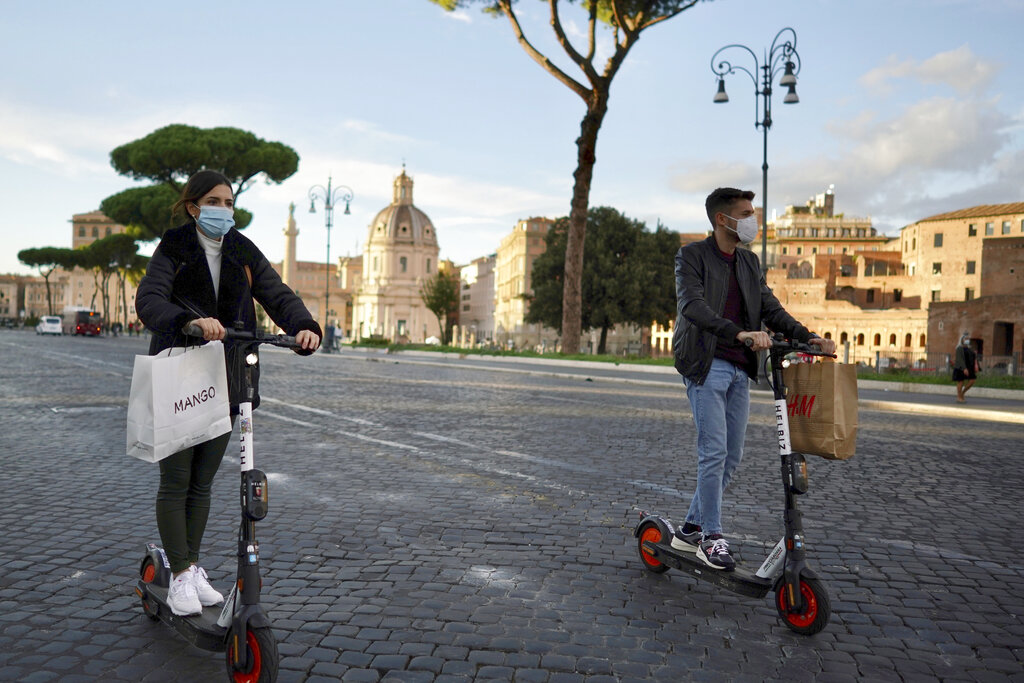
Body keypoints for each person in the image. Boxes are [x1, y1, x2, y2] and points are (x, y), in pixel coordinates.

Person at [136, 170, 322, 616]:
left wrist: (304, 327)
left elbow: (277, 292)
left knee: (202, 483)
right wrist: (189, 321)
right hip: (180, 373)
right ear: (194, 206)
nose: (225, 209)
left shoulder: (241, 248)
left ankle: (190, 567)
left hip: (228, 379)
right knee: (177, 480)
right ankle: (179, 575)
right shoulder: (174, 248)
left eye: (230, 202)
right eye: (215, 201)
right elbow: (149, 300)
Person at [670, 187, 836, 571]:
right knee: (713, 452)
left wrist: (806, 336)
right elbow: (691, 305)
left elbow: (769, 306)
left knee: (732, 456)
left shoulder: (748, 262)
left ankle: (691, 528)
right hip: (706, 364)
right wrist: (739, 333)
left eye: (752, 213)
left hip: (740, 368)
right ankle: (711, 538)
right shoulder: (691, 257)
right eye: (745, 214)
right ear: (722, 220)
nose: (752, 221)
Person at [953, 334, 978, 403]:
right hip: (961, 367)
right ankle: (959, 397)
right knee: (960, 381)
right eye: (965, 339)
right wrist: (964, 368)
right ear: (962, 340)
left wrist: (976, 366)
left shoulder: (970, 349)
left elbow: (973, 358)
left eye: (968, 339)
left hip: (969, 367)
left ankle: (962, 393)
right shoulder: (959, 348)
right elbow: (959, 359)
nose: (967, 340)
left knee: (972, 380)